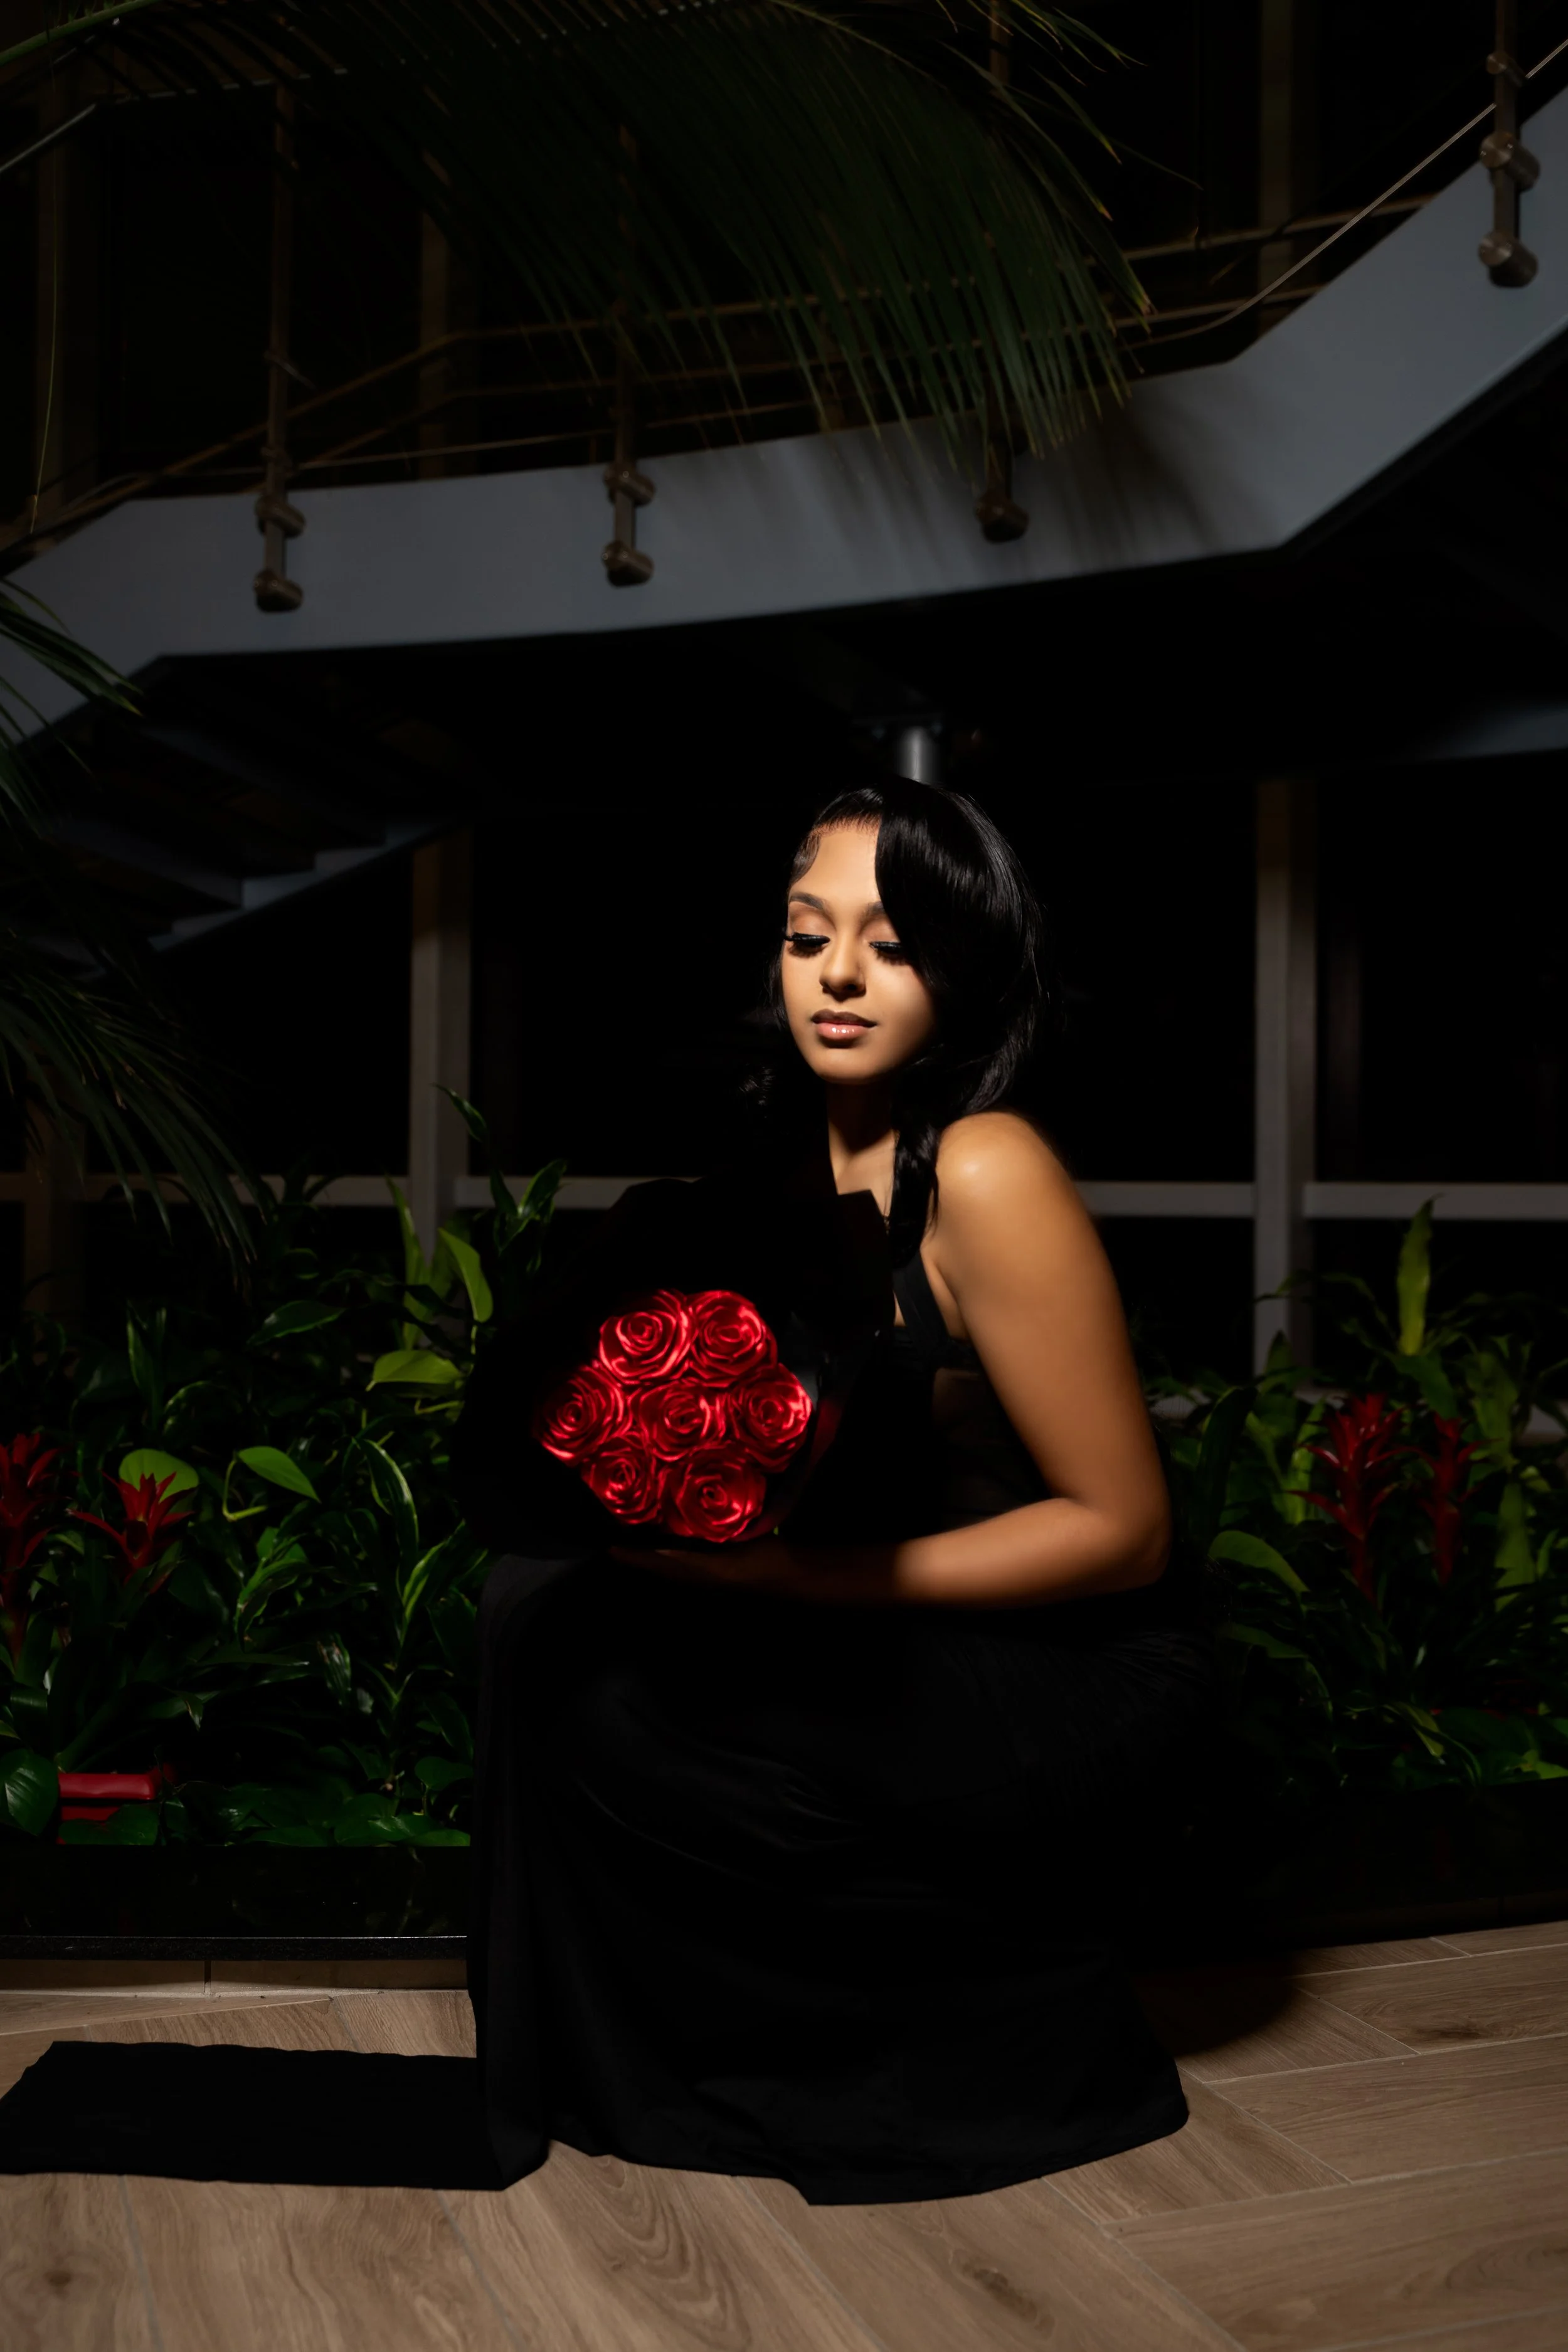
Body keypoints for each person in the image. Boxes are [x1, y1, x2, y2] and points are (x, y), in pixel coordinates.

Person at [452, 775, 1216, 2203]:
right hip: (908, 1617)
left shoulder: (985, 1167)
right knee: (542, 1611)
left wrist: (794, 1583)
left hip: (1080, 1662)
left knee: (623, 1679)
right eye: (809, 938)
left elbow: (1123, 1535)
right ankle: (679, 2064)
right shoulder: (789, 1168)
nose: (841, 976)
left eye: (891, 941)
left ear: (967, 969)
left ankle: (965, 2054)